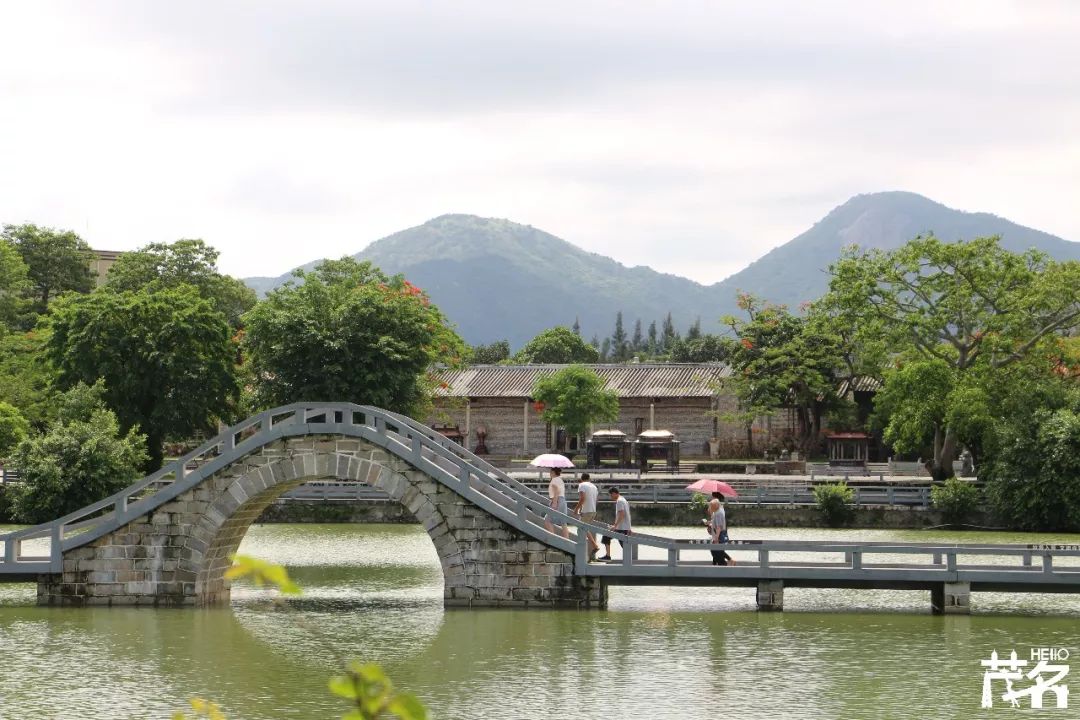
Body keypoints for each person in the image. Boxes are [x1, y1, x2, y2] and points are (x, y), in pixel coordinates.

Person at [598, 486, 632, 561]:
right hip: (624, 527)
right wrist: (629, 528)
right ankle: (629, 559)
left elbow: (622, 514)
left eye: (610, 495)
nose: (610, 497)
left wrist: (615, 526)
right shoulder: (624, 500)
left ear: (614, 493)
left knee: (607, 536)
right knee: (624, 544)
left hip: (621, 527)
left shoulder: (619, 501)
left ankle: (608, 556)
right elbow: (628, 515)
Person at [573, 473, 600, 560]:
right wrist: (581, 509)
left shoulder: (581, 485)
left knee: (581, 530)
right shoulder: (594, 487)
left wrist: (576, 509)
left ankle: (583, 554)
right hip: (593, 511)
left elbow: (582, 498)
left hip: (587, 511)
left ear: (581, 479)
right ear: (589, 479)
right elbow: (595, 500)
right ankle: (594, 546)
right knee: (584, 529)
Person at [706, 492, 736, 566]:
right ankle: (717, 564)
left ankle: (725, 564)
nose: (711, 498)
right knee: (716, 551)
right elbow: (716, 521)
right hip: (718, 532)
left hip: (719, 533)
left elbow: (719, 526)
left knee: (716, 551)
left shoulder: (719, 512)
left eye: (712, 497)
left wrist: (716, 538)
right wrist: (710, 523)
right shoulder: (718, 509)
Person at [544, 467, 570, 539]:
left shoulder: (554, 480)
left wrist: (554, 503)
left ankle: (553, 539)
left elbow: (557, 491)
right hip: (562, 501)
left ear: (553, 472)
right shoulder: (560, 479)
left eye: (550, 472)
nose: (549, 474)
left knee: (548, 521)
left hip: (557, 501)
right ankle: (566, 541)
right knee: (563, 522)